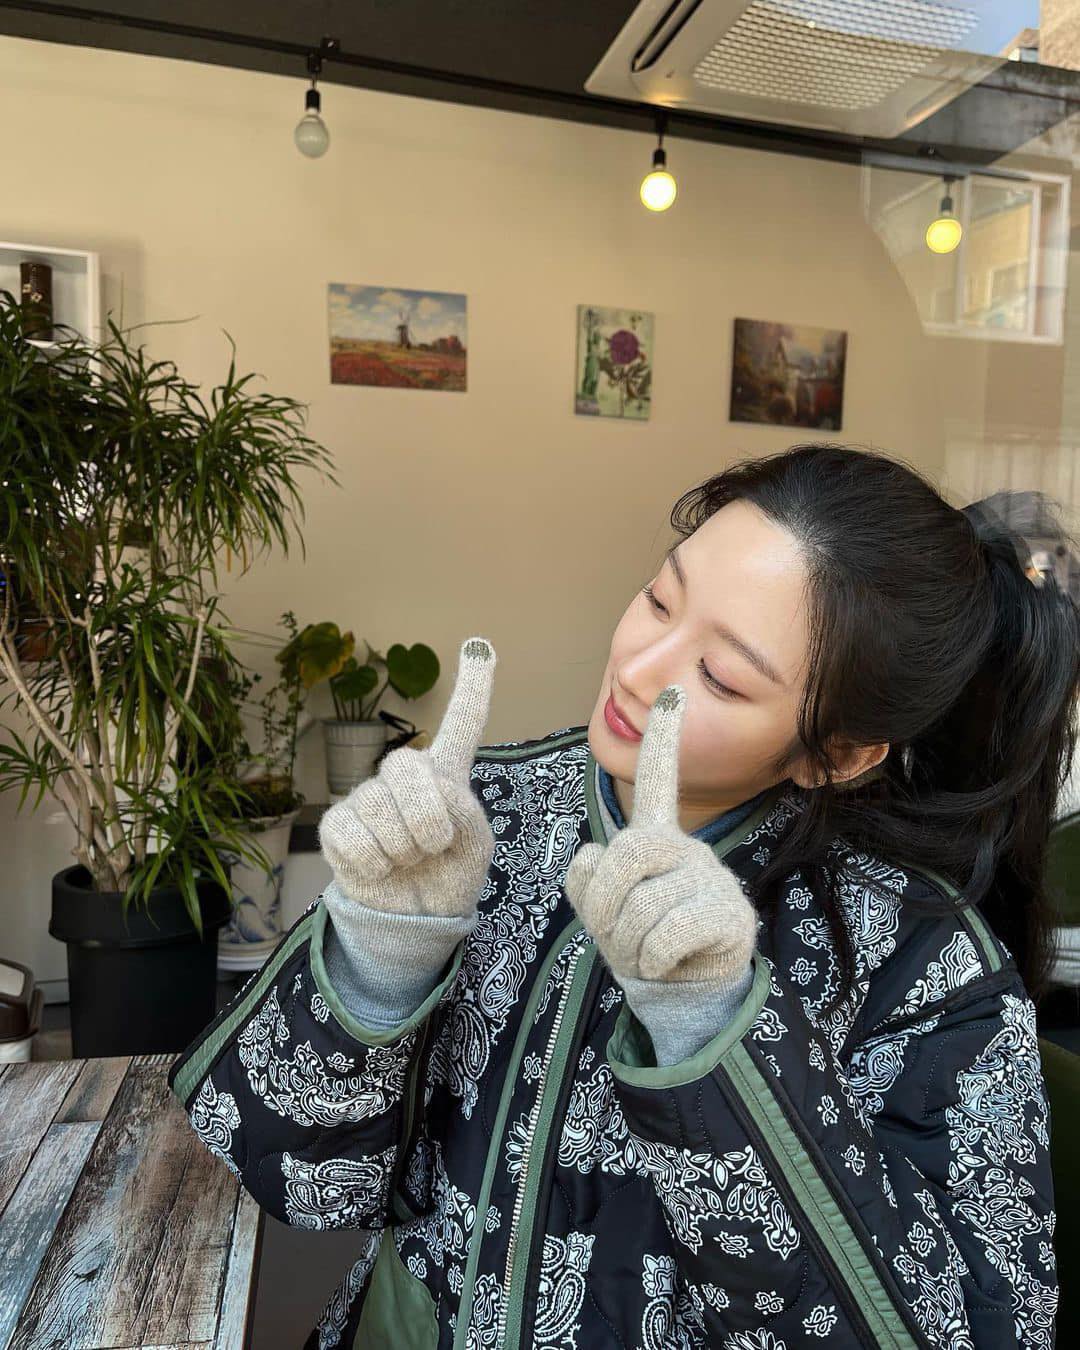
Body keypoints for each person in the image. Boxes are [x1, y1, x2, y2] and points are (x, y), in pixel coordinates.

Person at [168, 443, 1077, 1349]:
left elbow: (966, 1332)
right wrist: (379, 959)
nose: (640, 668)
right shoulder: (483, 811)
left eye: (721, 676)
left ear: (836, 753)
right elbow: (299, 1176)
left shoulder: (920, 957)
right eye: (658, 598)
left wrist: (719, 1033)